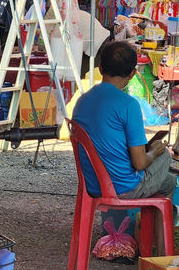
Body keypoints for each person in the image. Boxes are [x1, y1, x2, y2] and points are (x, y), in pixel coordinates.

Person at [72, 41, 177, 244]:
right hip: (123, 188)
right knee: (164, 155)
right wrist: (155, 151)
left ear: (100, 68)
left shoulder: (82, 100)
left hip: (92, 184)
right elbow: (139, 163)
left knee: (169, 183)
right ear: (131, 75)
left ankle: (154, 250)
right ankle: (162, 253)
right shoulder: (128, 105)